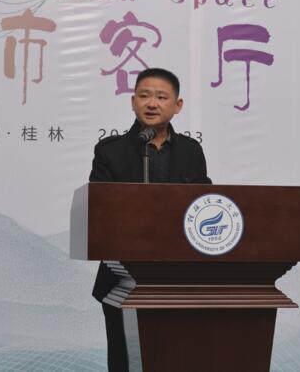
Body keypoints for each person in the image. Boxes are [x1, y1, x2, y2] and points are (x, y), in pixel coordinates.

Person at [89, 67, 211, 372]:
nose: (152, 103)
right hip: (122, 279)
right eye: (144, 96)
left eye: (161, 97)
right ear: (133, 102)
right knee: (126, 361)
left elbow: (204, 207)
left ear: (177, 105)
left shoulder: (191, 151)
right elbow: (99, 209)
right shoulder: (110, 152)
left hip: (180, 278)